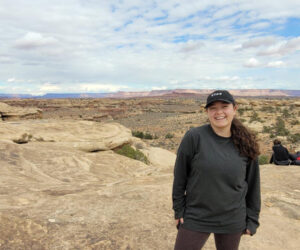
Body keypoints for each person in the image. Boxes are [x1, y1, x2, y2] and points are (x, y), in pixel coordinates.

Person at [172, 90, 261, 250]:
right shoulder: (194, 137)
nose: (219, 112)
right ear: (207, 112)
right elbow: (180, 176)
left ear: (234, 109)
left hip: (232, 218)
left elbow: (253, 184)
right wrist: (178, 210)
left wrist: (252, 218)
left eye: (224, 106)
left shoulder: (246, 142)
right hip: (196, 215)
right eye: (213, 108)